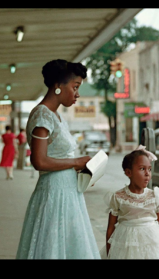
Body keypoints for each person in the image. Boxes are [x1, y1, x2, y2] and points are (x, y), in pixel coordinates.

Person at [16, 59, 100, 259]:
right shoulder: (42, 116)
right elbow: (39, 161)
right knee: (53, 247)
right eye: (75, 87)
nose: (77, 94)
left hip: (68, 191)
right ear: (58, 86)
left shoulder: (55, 116)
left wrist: (83, 168)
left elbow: (58, 156)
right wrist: (75, 162)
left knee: (68, 245)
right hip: (54, 192)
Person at [100, 145, 159, 259]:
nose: (147, 173)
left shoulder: (155, 196)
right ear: (128, 172)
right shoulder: (118, 197)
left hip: (152, 246)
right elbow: (110, 228)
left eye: (149, 169)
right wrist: (110, 254)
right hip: (126, 246)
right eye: (142, 169)